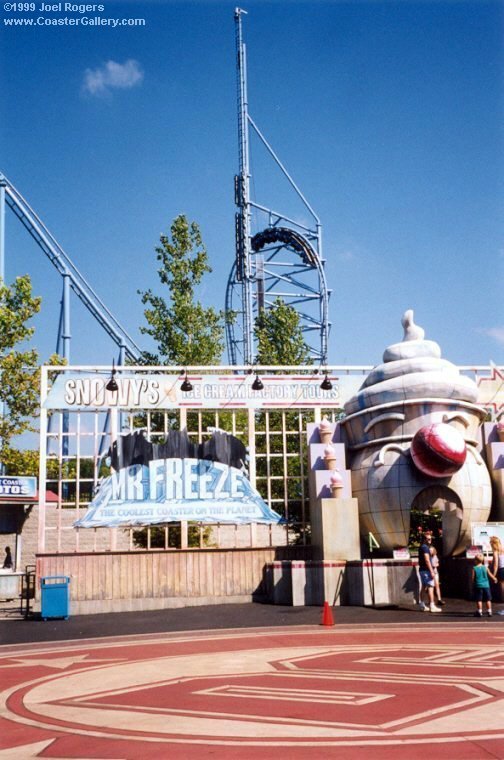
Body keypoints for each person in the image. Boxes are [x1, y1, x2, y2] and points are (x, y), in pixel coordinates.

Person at [418, 531, 442, 612]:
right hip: (426, 570)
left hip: (422, 570)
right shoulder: (425, 548)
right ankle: (432, 605)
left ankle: (422, 605)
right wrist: (431, 571)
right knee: (430, 587)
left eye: (430, 539)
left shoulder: (421, 547)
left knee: (423, 587)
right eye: (428, 539)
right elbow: (427, 560)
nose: (430, 541)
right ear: (424, 539)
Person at [489, 536, 504, 603]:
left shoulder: (496, 552)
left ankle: (502, 599)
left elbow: (496, 565)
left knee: (502, 585)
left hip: (501, 569)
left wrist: (493, 575)